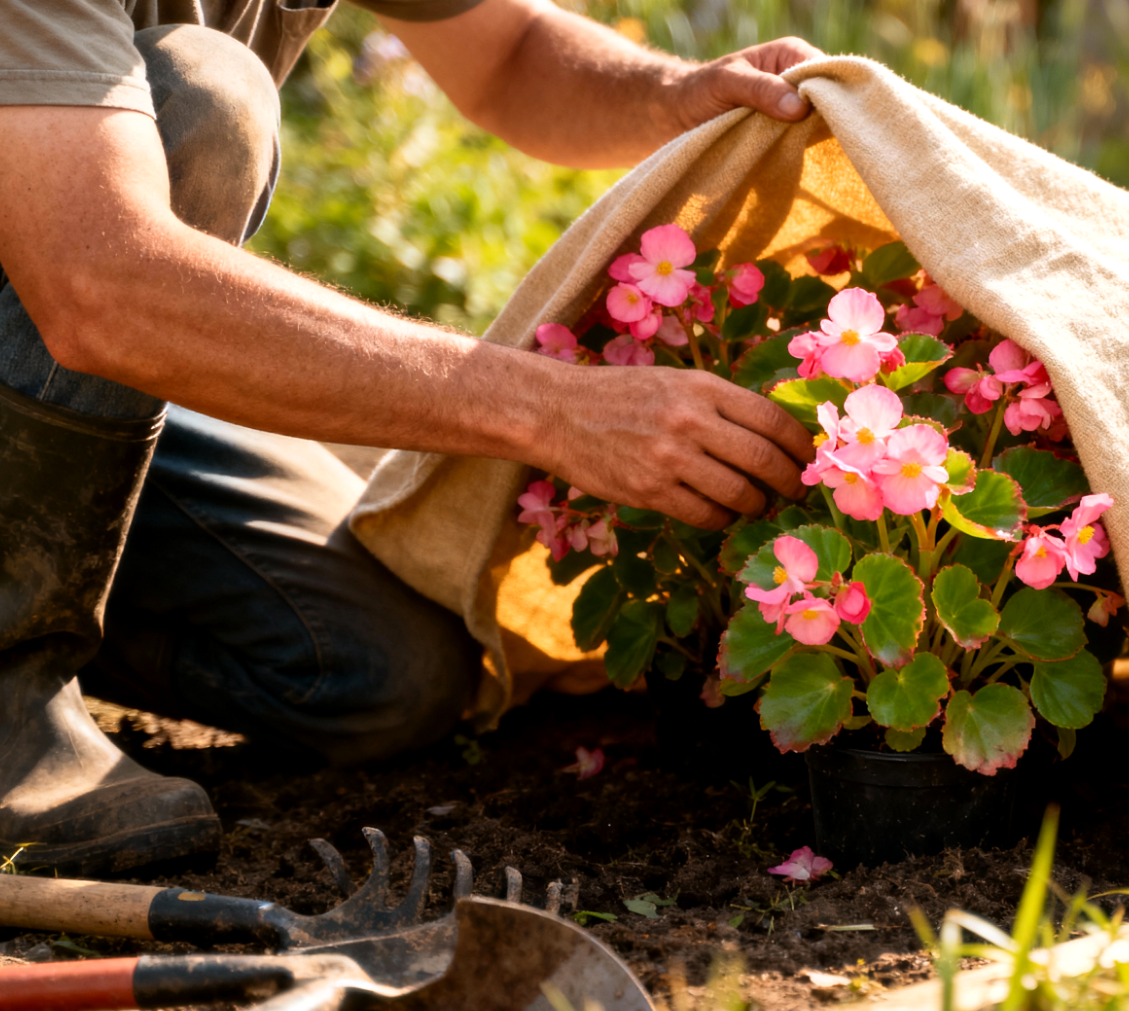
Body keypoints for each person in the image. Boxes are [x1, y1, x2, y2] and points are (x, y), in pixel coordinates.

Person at [0, 0, 820, 876]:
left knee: (379, 669)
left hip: (38, 369)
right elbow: (104, 285)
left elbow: (508, 53)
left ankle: (45, 593)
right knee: (204, 98)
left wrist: (679, 91)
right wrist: (554, 409)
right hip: (76, 293)